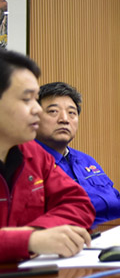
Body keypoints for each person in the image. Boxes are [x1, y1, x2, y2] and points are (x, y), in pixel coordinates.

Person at [0, 49, 94, 262]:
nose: (37, 110)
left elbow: (79, 204)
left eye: (36, 100)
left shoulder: (33, 153)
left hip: (28, 273)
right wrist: (28, 240)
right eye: (26, 100)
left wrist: (37, 233)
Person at [35, 82, 120, 225]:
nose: (64, 119)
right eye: (53, 111)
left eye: (72, 113)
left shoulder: (86, 160)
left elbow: (118, 202)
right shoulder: (30, 165)